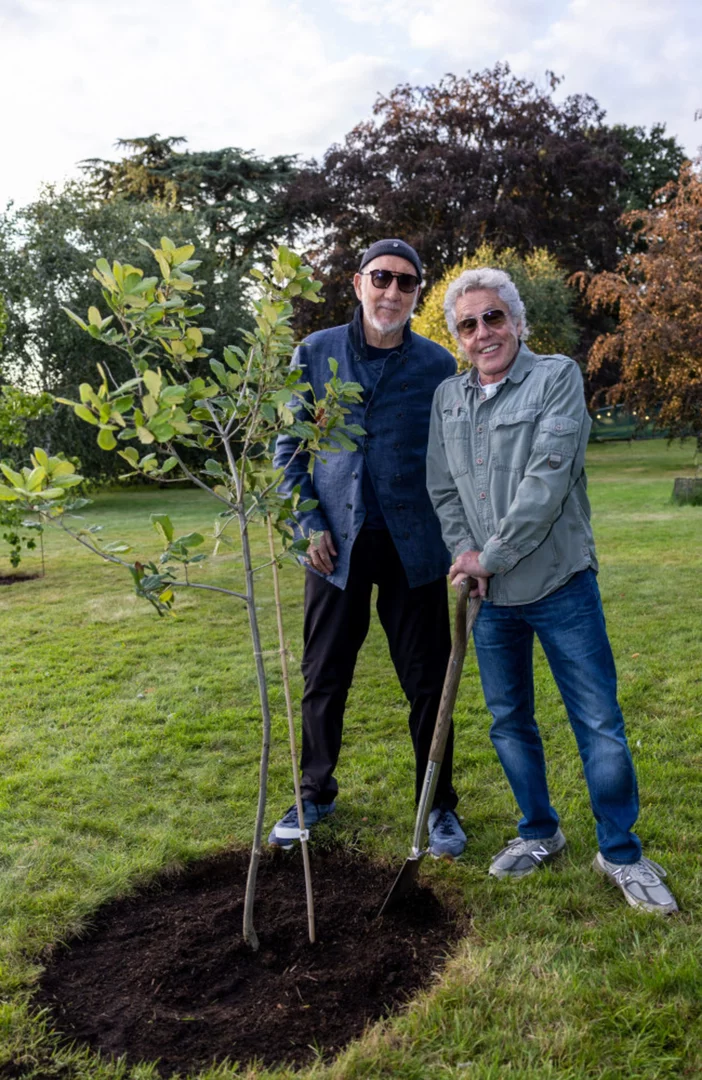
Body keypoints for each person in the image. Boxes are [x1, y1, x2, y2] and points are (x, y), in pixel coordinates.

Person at [426, 266, 678, 914]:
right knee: (509, 723)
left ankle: (620, 852)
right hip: (488, 602)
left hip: (559, 585)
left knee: (598, 724)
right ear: (457, 338)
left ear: (516, 321)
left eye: (494, 317)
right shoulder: (447, 400)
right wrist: (462, 551)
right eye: (468, 324)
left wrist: (492, 556)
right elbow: (443, 489)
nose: (483, 332)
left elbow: (548, 480)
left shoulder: (555, 378)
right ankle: (539, 831)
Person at [269, 239, 466, 857]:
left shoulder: (437, 366)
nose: (392, 292)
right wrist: (305, 525)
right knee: (324, 676)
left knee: (429, 683)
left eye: (406, 283)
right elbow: (288, 452)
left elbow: (456, 457)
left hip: (415, 549)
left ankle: (437, 807)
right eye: (382, 278)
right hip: (335, 548)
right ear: (359, 283)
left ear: (417, 295)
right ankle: (314, 791)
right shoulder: (315, 353)